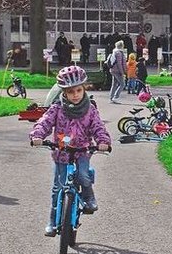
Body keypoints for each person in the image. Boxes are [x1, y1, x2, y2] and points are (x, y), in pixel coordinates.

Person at [29, 65, 111, 235]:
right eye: (70, 91)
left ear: (84, 89)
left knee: (83, 174)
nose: (75, 95)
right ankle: (52, 220)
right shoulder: (57, 109)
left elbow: (98, 127)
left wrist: (103, 141)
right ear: (63, 92)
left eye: (78, 90)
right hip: (62, 152)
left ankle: (89, 197)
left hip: (82, 151)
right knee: (58, 187)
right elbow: (44, 122)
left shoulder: (90, 110)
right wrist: (37, 135)